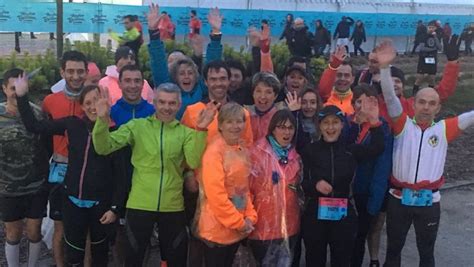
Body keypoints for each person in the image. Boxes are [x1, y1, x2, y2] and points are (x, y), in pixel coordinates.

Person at [92, 80, 218, 267]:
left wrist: (200, 129)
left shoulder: (186, 133)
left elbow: (192, 161)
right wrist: (102, 121)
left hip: (172, 206)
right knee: (133, 260)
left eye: (172, 103)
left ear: (179, 105)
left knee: (176, 260)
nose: (167, 107)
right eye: (162, 102)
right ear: (154, 102)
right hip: (140, 204)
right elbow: (104, 147)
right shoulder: (137, 126)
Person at [375, 40, 474, 267]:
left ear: (438, 108)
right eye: (422, 102)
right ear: (414, 103)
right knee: (393, 252)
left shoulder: (444, 129)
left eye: (431, 103)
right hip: (399, 199)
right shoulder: (402, 125)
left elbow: (470, 116)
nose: (426, 107)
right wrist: (384, 68)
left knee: (426, 254)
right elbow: (390, 97)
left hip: (430, 202)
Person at [16, 81, 126, 266]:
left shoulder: (116, 132)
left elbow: (121, 176)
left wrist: (115, 208)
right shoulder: (72, 124)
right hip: (73, 201)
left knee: (100, 253)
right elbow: (35, 126)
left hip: (101, 205)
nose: (93, 107)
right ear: (81, 106)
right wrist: (21, 96)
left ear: (106, 102)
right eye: (88, 103)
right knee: (74, 254)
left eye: (97, 100)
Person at [301, 103, 384, 267]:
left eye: (335, 122)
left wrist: (375, 123)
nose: (330, 127)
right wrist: (315, 184)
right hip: (315, 214)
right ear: (320, 126)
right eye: (326, 123)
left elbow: (377, 148)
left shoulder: (350, 150)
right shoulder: (309, 150)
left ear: (342, 125)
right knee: (314, 260)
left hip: (343, 215)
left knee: (342, 260)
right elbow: (301, 183)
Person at [194, 102, 258, 267]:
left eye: (239, 121)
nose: (235, 126)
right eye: (229, 121)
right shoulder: (214, 152)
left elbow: (243, 189)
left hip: (236, 227)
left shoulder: (241, 150)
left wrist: (250, 216)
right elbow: (216, 195)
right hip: (216, 230)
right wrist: (239, 222)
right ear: (220, 125)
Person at [42, 50, 89, 267]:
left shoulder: (93, 99)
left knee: (87, 226)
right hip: (59, 169)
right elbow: (42, 133)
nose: (75, 76)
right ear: (62, 72)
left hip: (86, 169)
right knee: (59, 226)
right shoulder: (50, 101)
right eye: (70, 71)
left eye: (80, 71)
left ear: (87, 72)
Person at [0, 68, 49, 267]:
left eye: (20, 87)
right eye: (12, 88)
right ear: (4, 89)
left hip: (35, 185)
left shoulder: (37, 113)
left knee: (34, 230)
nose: (16, 92)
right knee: (12, 232)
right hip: (7, 187)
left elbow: (46, 145)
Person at [247, 109, 303, 267]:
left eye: (290, 128)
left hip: (289, 227)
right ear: (272, 129)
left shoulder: (295, 156)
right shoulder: (256, 153)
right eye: (281, 127)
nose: (287, 132)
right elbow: (245, 191)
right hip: (261, 228)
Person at [148, 5, 223, 120]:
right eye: (182, 73)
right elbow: (158, 63)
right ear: (175, 76)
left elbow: (212, 66)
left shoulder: (201, 88)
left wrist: (216, 34)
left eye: (190, 73)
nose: (187, 76)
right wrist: (153, 32)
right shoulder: (168, 87)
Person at [348, 85, 393, 267]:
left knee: (359, 238)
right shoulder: (346, 124)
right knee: (346, 239)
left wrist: (374, 203)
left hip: (366, 194)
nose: (362, 106)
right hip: (346, 193)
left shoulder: (383, 128)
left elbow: (382, 168)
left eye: (367, 101)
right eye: (358, 101)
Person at [181, 60, 254, 145]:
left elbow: (248, 146)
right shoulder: (191, 111)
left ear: (229, 80)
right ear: (205, 82)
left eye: (222, 79)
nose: (218, 83)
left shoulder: (243, 113)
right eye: (213, 79)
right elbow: (183, 145)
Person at [245, 72, 285, 142]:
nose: (263, 96)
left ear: (275, 96)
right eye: (258, 91)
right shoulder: (244, 114)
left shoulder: (282, 116)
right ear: (253, 93)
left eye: (268, 92)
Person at [318, 46, 355, 115]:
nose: (342, 79)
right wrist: (334, 65)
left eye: (346, 75)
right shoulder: (325, 98)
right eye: (339, 75)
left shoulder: (357, 101)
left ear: (352, 79)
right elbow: (322, 90)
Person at [286, 88, 322, 153]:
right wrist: (294, 113)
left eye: (312, 102)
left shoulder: (323, 122)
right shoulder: (293, 120)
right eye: (304, 102)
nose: (308, 106)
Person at [413, 20, 441, 95]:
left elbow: (440, 47)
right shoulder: (423, 36)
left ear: (435, 28)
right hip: (423, 58)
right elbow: (422, 48)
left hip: (433, 59)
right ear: (427, 28)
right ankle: (414, 93)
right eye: (430, 27)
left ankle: (430, 93)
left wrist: (435, 37)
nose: (431, 29)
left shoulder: (436, 36)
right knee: (420, 78)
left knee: (432, 78)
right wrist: (433, 49)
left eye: (433, 27)